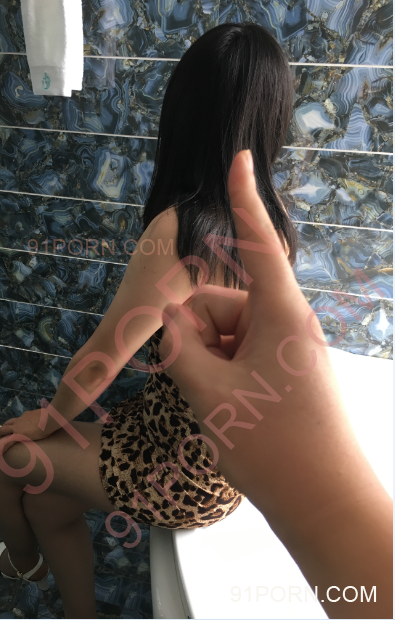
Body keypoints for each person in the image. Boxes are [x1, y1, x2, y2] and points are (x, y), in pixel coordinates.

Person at [0, 23, 300, 619]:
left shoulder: (184, 232)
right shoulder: (273, 221)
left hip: (176, 465)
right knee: (48, 504)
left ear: (184, 111)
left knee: (7, 457)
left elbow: (102, 360)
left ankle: (21, 566)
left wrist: (47, 419)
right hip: (220, 461)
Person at [159, 150, 393, 619]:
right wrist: (316, 497)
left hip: (181, 478)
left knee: (27, 476)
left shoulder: (173, 228)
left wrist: (312, 492)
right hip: (224, 489)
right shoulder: (279, 230)